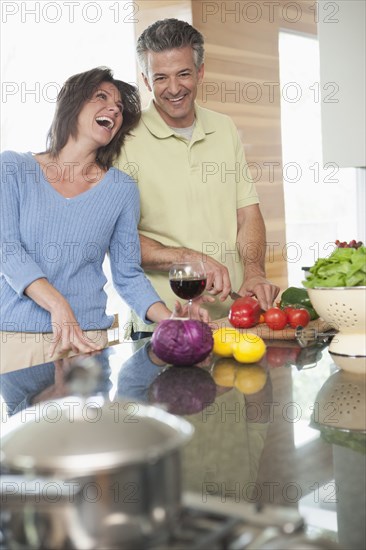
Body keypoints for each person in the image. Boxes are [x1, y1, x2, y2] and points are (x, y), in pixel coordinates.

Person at [0, 66, 208, 372]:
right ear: (71, 105)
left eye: (119, 107)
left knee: (92, 421)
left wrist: (171, 320)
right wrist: (59, 306)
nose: (113, 108)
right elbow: (8, 250)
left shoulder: (121, 189)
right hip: (19, 340)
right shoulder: (13, 169)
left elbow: (127, 274)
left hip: (88, 342)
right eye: (101, 97)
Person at [117, 18, 280, 339]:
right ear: (146, 81)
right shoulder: (124, 140)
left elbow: (247, 213)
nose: (174, 88)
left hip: (232, 320)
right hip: (161, 324)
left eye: (184, 74)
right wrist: (191, 260)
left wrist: (254, 272)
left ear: (200, 71)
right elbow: (120, 242)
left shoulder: (224, 128)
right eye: (160, 77)